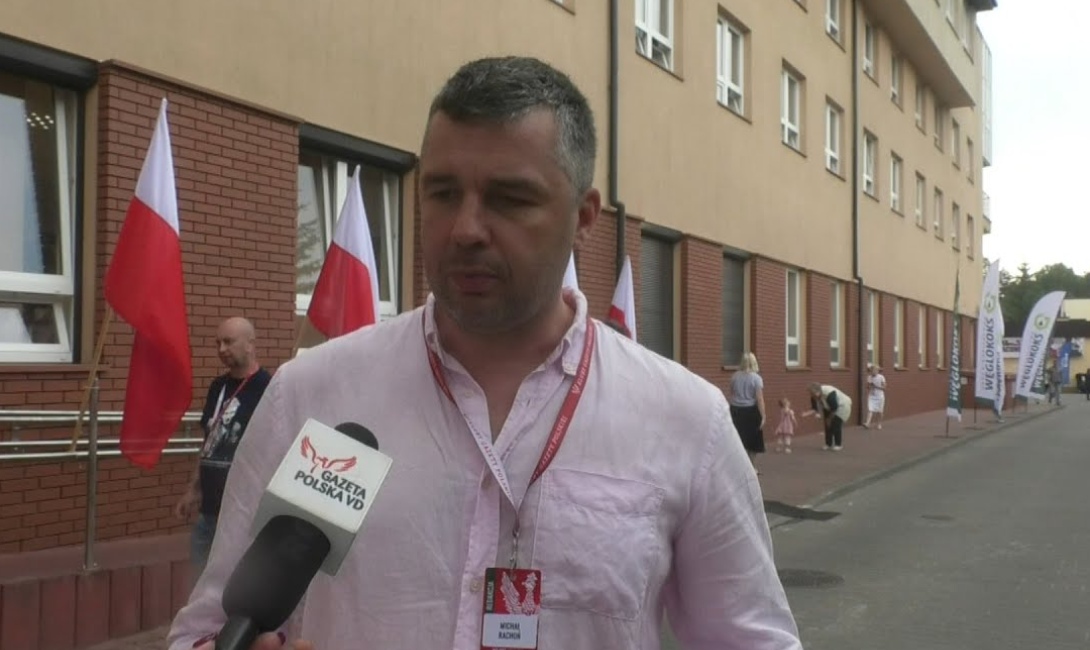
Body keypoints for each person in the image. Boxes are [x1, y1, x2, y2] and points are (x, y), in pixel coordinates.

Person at [168, 56, 802, 650]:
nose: (466, 229)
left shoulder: (686, 420)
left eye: (509, 198)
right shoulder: (314, 395)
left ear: (584, 217)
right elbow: (211, 626)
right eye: (443, 193)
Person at [174, 316, 271, 582]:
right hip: (210, 509)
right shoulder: (218, 387)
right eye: (218, 343)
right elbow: (209, 441)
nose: (221, 349)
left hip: (242, 513)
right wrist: (194, 488)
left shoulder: (267, 388)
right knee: (199, 580)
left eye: (229, 342)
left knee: (233, 584)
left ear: (250, 344)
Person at [726, 352, 767, 466]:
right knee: (753, 441)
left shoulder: (734, 376)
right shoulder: (756, 378)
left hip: (735, 410)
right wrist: (763, 415)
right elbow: (759, 399)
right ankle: (750, 466)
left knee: (738, 439)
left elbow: (732, 393)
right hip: (750, 411)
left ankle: (739, 465)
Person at [802, 382, 852, 451]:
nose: (812, 395)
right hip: (828, 406)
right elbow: (814, 408)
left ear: (818, 391)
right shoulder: (814, 396)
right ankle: (828, 444)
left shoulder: (829, 394)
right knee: (827, 425)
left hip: (842, 405)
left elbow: (834, 407)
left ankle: (838, 444)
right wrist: (806, 413)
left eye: (813, 393)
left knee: (835, 424)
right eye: (811, 393)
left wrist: (829, 419)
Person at [863, 364, 886, 430]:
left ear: (877, 371)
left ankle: (879, 424)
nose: (873, 372)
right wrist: (869, 386)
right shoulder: (869, 377)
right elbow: (867, 387)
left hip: (880, 396)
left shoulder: (881, 377)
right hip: (872, 396)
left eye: (875, 370)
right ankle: (867, 423)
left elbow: (884, 388)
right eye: (872, 370)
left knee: (880, 411)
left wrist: (876, 386)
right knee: (870, 409)